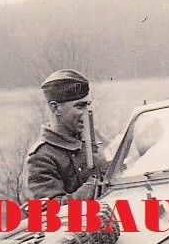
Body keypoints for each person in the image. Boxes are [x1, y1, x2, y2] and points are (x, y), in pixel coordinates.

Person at [21, 69, 108, 201]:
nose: (87, 113)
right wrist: (95, 183)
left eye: (88, 105)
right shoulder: (40, 158)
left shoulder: (93, 137)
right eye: (80, 106)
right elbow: (53, 209)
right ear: (55, 108)